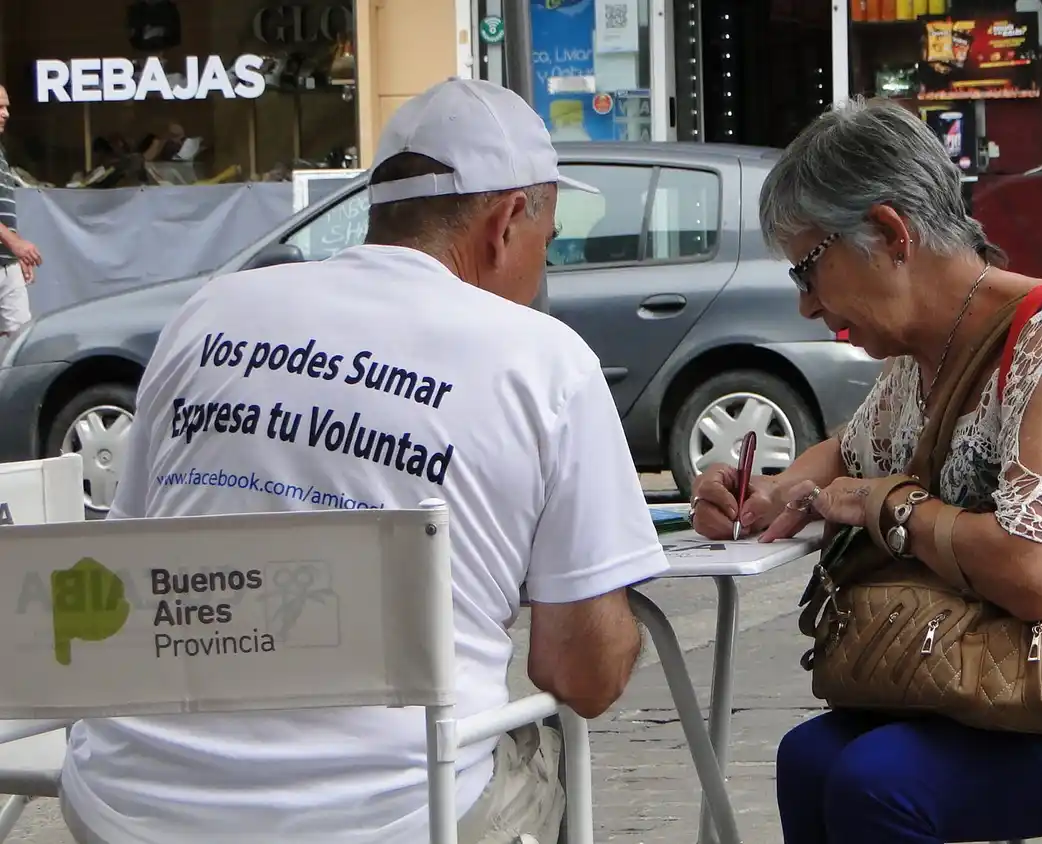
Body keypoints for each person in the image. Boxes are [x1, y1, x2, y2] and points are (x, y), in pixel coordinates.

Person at [60, 78, 669, 844]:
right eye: (546, 245)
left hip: (129, 801)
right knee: (547, 750)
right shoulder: (543, 361)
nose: (541, 272)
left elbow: (129, 557)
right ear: (508, 221)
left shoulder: (210, 311)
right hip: (399, 820)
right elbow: (582, 676)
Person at [689, 97, 1042, 844]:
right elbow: (851, 450)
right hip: (1006, 677)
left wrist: (889, 509)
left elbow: (1038, 574)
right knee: (807, 760)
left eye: (809, 268)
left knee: (878, 786)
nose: (805, 305)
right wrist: (771, 491)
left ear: (891, 234)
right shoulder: (922, 351)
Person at [0, 84, 43, 336]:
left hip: (6, 264)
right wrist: (14, 243)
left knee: (18, 341)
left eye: (6, 107)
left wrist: (14, 254)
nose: (6, 114)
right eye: (0, 107)